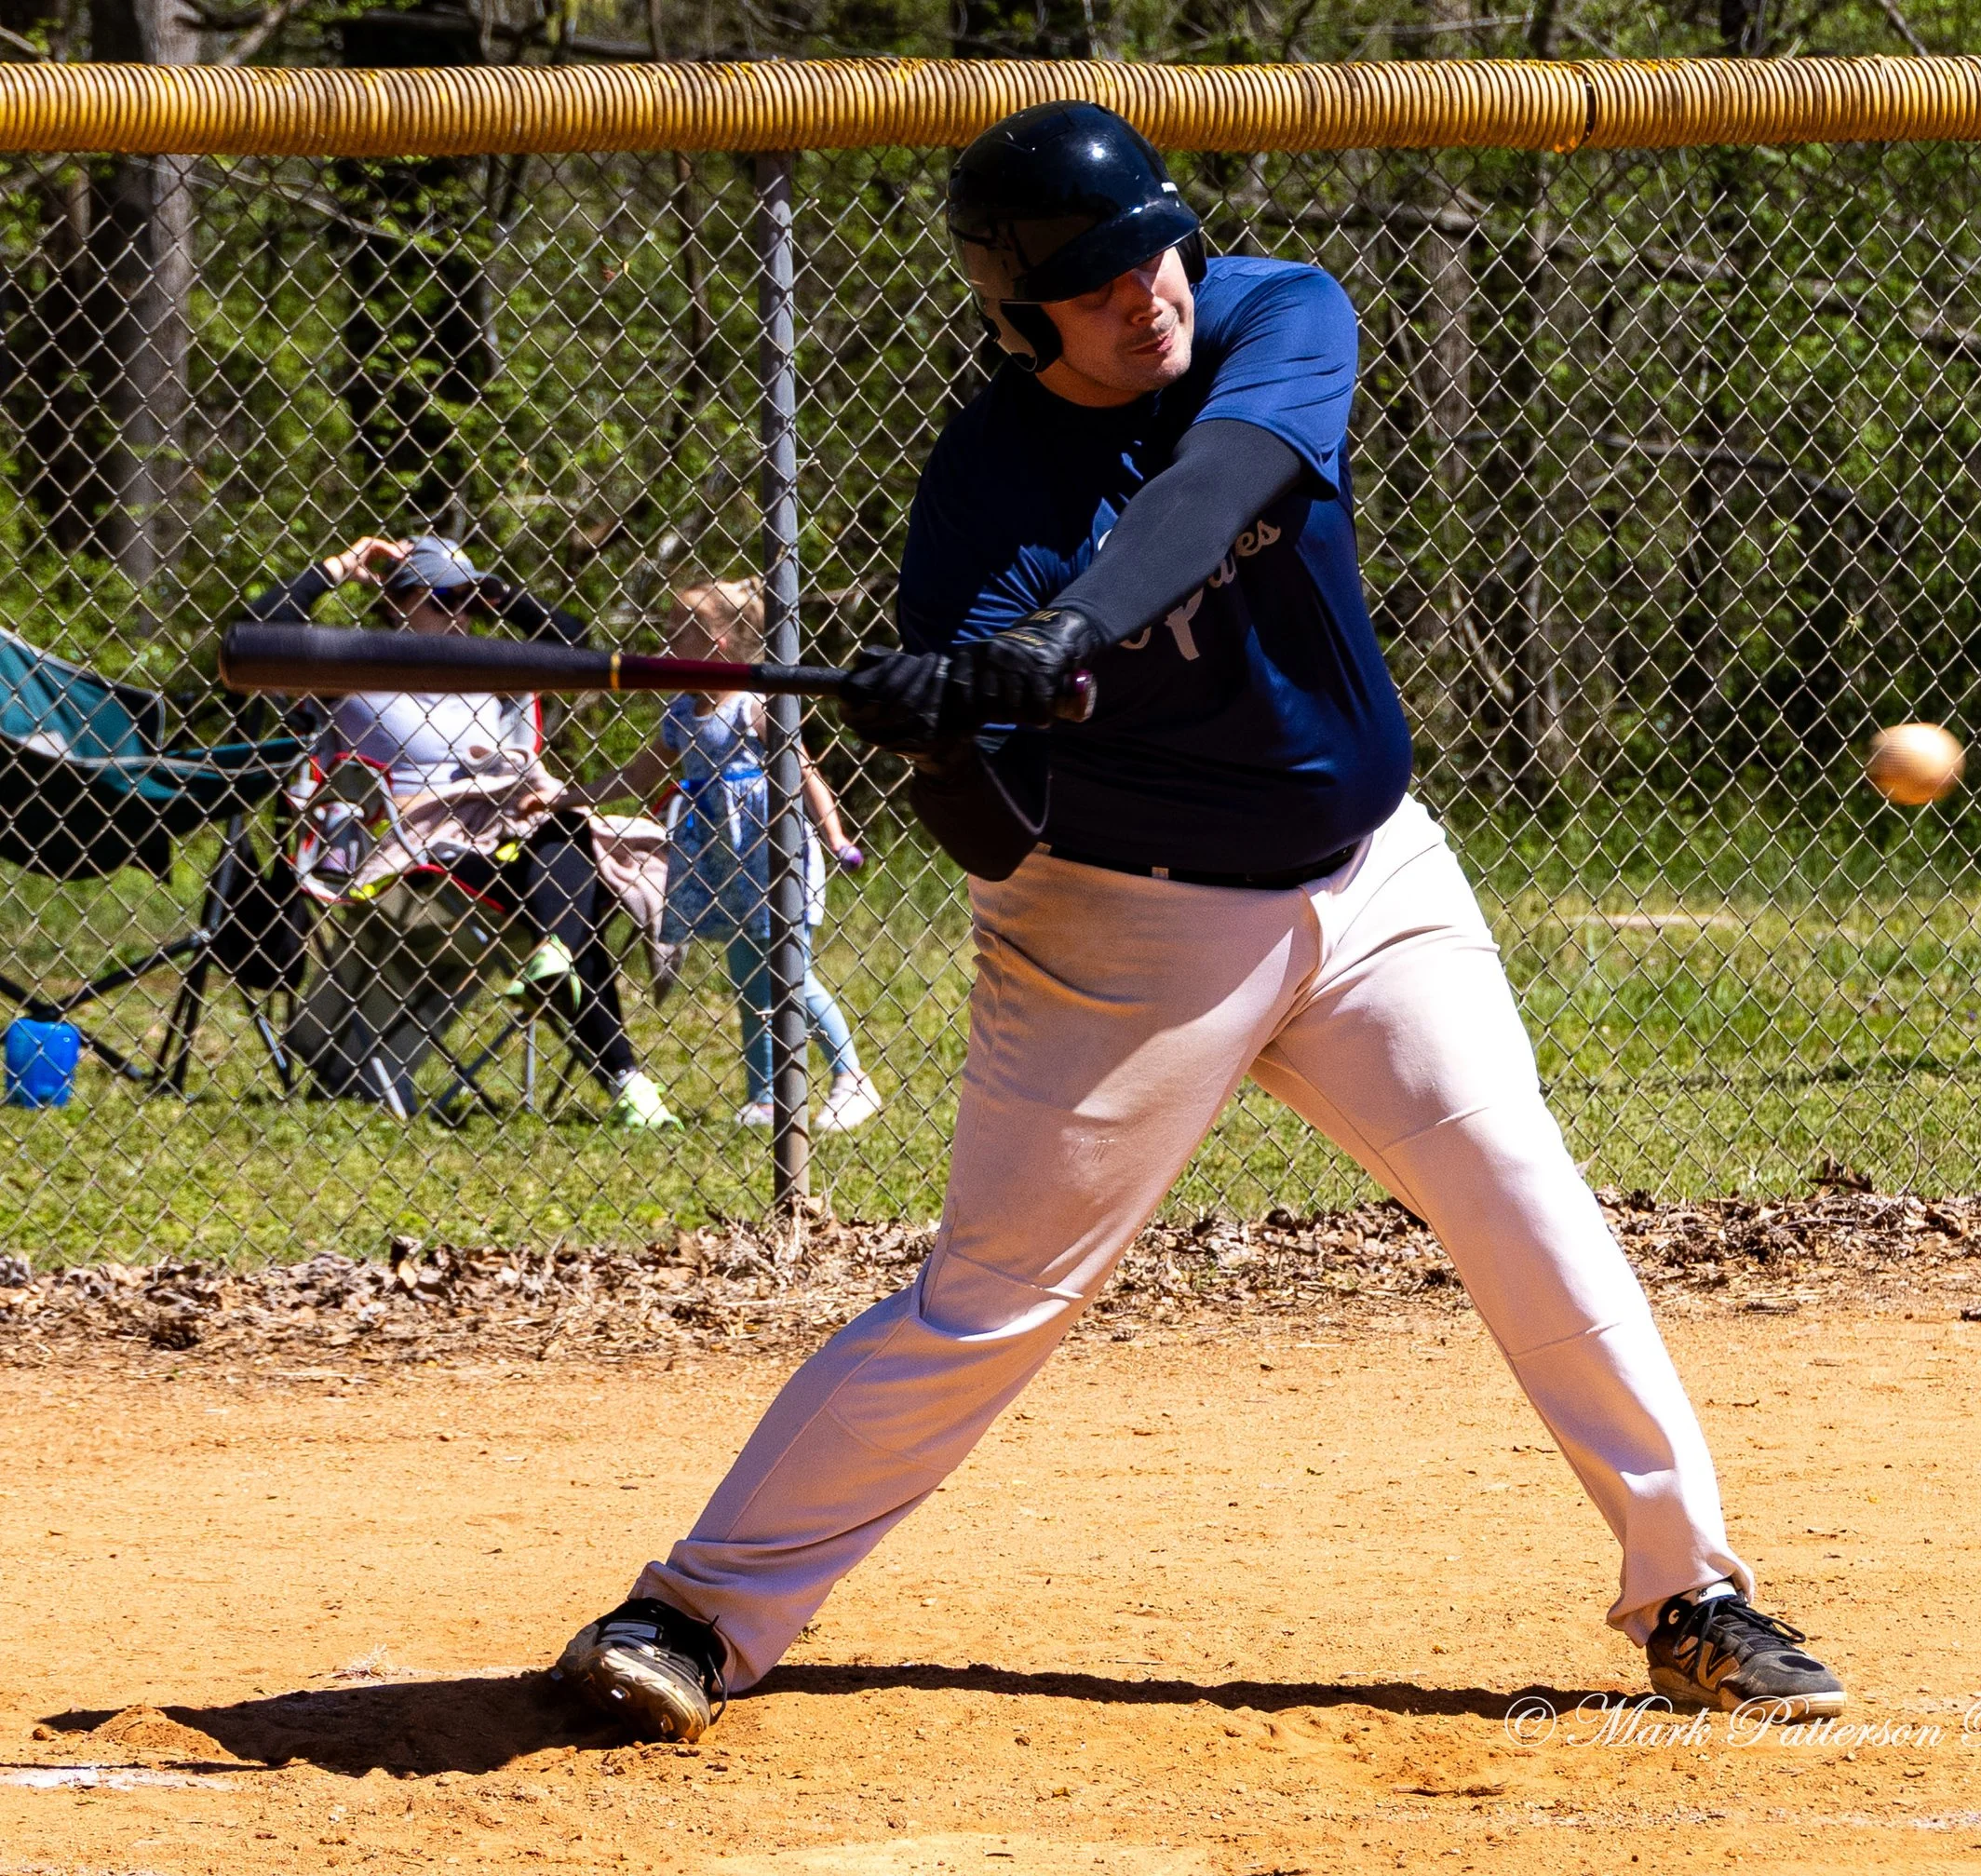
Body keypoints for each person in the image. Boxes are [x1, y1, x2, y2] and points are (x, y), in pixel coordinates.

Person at [551, 102, 1844, 1740]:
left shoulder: (1273, 308)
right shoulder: (983, 503)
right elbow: (993, 837)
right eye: (1088, 285)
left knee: (1521, 1193)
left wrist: (1073, 627)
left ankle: (1692, 1594)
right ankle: (697, 1611)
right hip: (1122, 935)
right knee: (995, 1298)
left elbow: (1229, 472)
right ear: (1021, 318)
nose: (1141, 292)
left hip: (1372, 880)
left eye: (1150, 248)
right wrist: (943, 734)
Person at [254, 533, 680, 1128]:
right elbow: (257, 635)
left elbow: (576, 646)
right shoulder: (351, 664)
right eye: (445, 598)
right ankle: (624, 1076)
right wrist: (340, 567)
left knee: (564, 833)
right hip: (410, 855)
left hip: (500, 843)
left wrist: (498, 594)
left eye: (470, 601)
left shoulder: (488, 665)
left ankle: (560, 963)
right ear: (400, 601)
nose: (461, 614)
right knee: (562, 887)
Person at [570, 578, 883, 1132]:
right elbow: (638, 774)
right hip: (721, 866)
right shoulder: (681, 714)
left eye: (677, 633)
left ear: (717, 642)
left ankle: (851, 1077)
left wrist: (835, 836)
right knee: (748, 981)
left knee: (789, 975)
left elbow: (805, 771)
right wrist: (570, 796)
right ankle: (766, 1097)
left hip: (772, 854)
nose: (664, 643)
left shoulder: (752, 707)